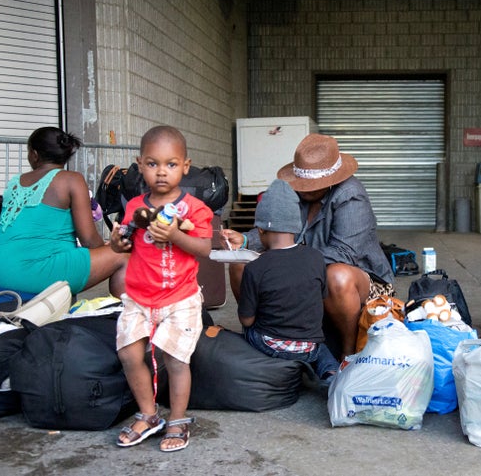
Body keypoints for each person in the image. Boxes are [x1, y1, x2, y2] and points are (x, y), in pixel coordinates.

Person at [223, 133, 393, 360]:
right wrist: (244, 241)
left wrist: (285, 261)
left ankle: (347, 353)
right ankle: (263, 337)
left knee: (337, 276)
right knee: (241, 265)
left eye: (312, 185)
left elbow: (344, 254)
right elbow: (278, 228)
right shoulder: (299, 192)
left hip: (361, 280)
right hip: (305, 268)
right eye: (302, 184)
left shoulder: (351, 196)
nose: (303, 189)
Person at [111, 125, 212, 452]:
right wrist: (116, 243)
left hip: (179, 297)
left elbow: (204, 249)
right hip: (139, 295)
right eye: (153, 164)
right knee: (129, 352)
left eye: (170, 164)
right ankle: (149, 414)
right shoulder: (134, 206)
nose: (161, 172)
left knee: (175, 358)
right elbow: (125, 244)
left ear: (185, 165)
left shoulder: (196, 209)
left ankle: (178, 418)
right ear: (140, 165)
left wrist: (175, 236)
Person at [0, 126, 128, 297]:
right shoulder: (72, 179)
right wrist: (106, 249)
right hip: (31, 274)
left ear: (34, 154)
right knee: (123, 255)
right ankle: (125, 319)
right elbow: (89, 241)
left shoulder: (14, 182)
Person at [238, 179, 339, 384]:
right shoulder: (316, 258)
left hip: (271, 346)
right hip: (309, 348)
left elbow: (246, 320)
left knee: (248, 330)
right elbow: (319, 300)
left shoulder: (254, 268)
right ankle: (330, 375)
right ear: (296, 227)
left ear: (260, 230)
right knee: (322, 349)